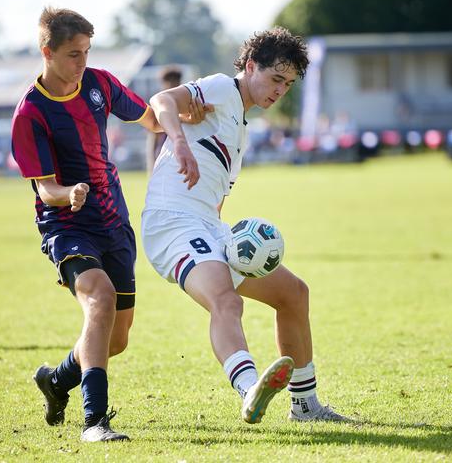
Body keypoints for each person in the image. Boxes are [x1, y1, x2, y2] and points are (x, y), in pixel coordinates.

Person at [11, 7, 208, 442]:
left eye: (86, 52)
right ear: (47, 52)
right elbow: (46, 189)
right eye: (72, 54)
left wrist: (191, 116)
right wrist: (70, 194)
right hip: (66, 225)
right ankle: (95, 421)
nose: (82, 63)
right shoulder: (30, 113)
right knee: (99, 299)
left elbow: (151, 117)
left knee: (115, 339)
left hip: (114, 222)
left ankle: (57, 379)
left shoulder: (99, 83)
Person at [142, 27, 349, 424]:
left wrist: (228, 237)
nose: (279, 91)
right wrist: (179, 141)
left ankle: (306, 406)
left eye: (287, 84)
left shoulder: (240, 129)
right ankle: (249, 387)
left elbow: (216, 198)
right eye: (275, 79)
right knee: (226, 300)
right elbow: (162, 100)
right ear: (250, 67)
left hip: (206, 225)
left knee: (294, 293)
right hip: (172, 222)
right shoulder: (222, 88)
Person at [145, 66, 183, 174]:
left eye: (175, 81)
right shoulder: (158, 107)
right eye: (169, 82)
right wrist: (152, 166)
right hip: (165, 157)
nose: (172, 85)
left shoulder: (186, 104)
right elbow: (153, 140)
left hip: (183, 156)